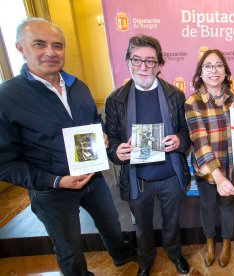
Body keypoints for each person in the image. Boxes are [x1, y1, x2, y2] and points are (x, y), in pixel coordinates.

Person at [0, 18, 136, 276]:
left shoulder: (78, 86)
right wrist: (56, 181)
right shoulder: (6, 98)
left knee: (111, 224)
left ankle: (122, 255)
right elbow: (4, 163)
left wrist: (103, 136)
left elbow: (94, 123)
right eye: (39, 44)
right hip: (52, 191)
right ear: (20, 48)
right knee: (69, 248)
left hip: (93, 179)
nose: (50, 52)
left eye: (57, 46)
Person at [104, 34, 190, 276]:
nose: (143, 67)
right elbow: (111, 139)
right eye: (137, 60)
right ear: (128, 61)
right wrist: (116, 151)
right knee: (142, 226)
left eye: (150, 61)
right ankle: (145, 261)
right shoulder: (115, 100)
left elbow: (186, 130)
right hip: (137, 178)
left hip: (169, 174)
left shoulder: (175, 95)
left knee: (172, 222)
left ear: (159, 64)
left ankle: (175, 254)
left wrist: (180, 140)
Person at [185, 49, 234, 268]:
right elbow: (199, 143)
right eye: (208, 66)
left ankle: (227, 243)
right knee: (208, 206)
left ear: (225, 71)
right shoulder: (193, 102)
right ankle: (210, 242)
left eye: (219, 65)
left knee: (227, 206)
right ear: (200, 72)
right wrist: (218, 178)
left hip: (231, 165)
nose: (214, 70)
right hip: (207, 169)